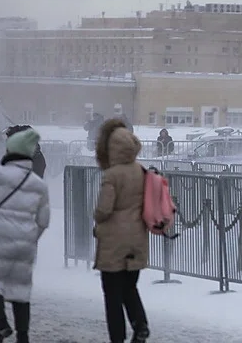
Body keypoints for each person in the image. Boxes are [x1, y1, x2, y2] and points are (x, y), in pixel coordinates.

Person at [93, 118, 150, 343]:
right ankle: (141, 325)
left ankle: (117, 338)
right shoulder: (141, 171)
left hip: (113, 243)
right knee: (129, 287)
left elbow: (104, 209)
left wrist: (96, 216)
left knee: (112, 296)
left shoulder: (112, 174)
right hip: (137, 239)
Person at [0, 128, 50, 343]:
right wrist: (30, 237)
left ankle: (1, 323)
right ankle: (23, 336)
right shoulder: (38, 184)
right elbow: (43, 220)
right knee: (20, 290)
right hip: (25, 244)